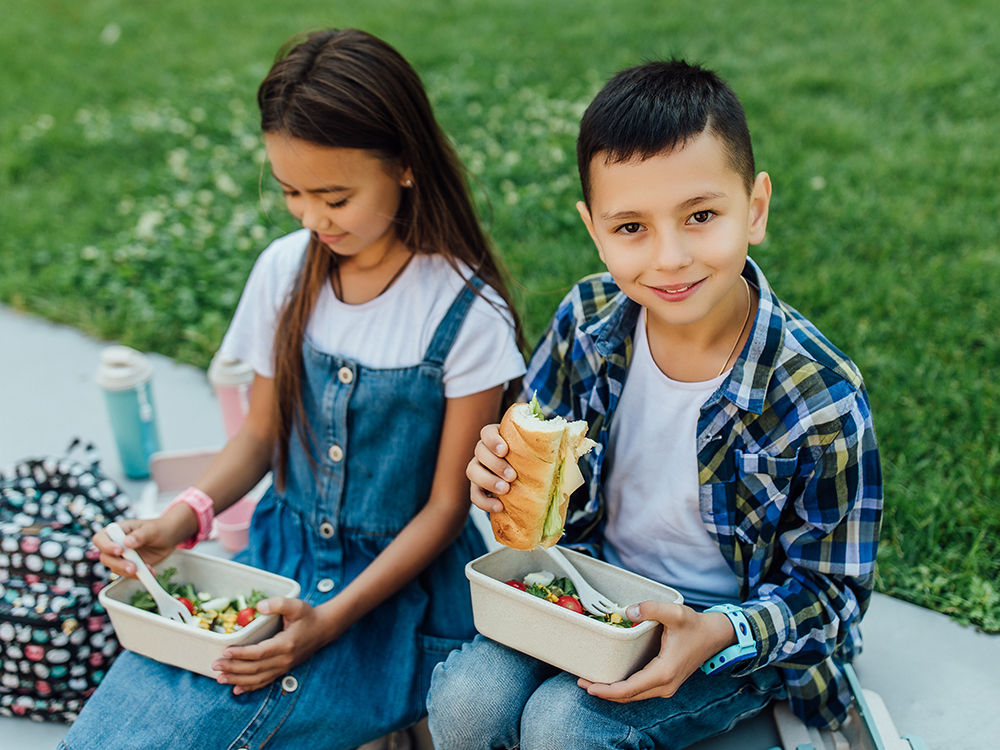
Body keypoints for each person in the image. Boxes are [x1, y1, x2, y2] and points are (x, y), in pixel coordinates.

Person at [62, 28, 526, 750]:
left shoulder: (467, 313)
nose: (311, 217)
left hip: (394, 601)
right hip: (275, 569)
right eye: (291, 193)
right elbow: (258, 437)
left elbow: (443, 510)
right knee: (122, 726)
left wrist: (330, 620)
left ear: (404, 164)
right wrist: (181, 520)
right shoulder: (285, 272)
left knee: (227, 722)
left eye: (334, 196)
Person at [426, 59, 882, 749]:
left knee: (562, 727)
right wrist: (504, 475)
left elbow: (831, 598)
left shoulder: (819, 398)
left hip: (722, 626)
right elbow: (546, 501)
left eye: (700, 216)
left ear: (754, 208)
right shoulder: (586, 319)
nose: (669, 258)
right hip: (590, 584)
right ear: (592, 227)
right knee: (468, 703)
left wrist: (722, 632)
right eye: (631, 227)